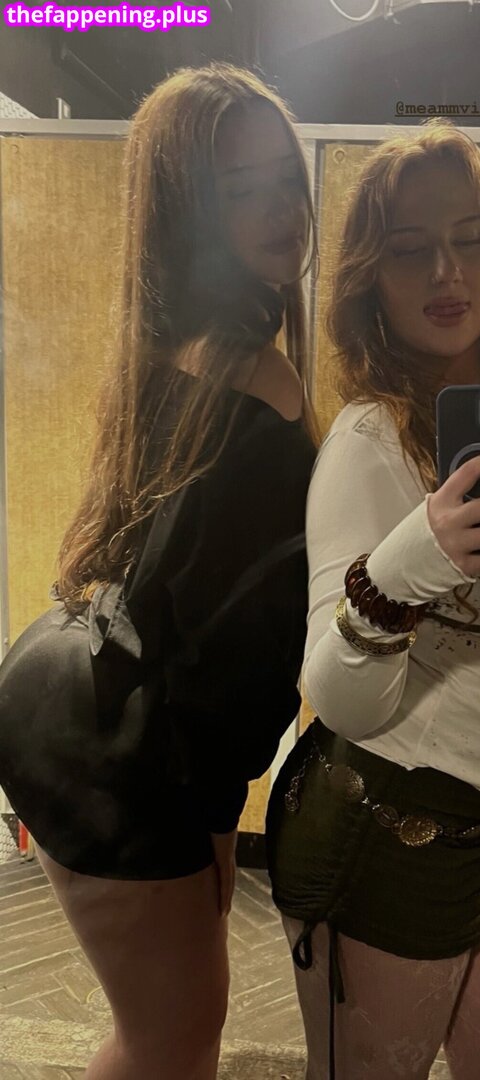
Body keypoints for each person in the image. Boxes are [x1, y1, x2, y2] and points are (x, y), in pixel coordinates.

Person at [266, 122, 480, 1080]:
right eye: (409, 250)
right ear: (369, 281)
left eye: (468, 240)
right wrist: (410, 562)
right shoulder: (370, 442)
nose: (446, 271)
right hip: (382, 831)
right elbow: (339, 696)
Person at [0, 63, 317, 1080]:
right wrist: (219, 823)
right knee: (173, 1035)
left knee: (168, 1027)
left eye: (285, 178)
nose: (280, 208)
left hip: (72, 704)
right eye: (240, 189)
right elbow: (238, 652)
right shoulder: (258, 379)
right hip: (123, 744)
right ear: (188, 213)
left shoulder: (170, 352)